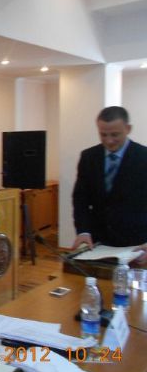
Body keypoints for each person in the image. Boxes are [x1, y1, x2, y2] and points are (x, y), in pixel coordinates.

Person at [72, 106, 147, 265]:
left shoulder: (143, 157)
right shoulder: (88, 157)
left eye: (115, 134)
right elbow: (80, 199)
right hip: (98, 243)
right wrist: (83, 231)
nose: (109, 140)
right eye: (103, 134)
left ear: (128, 129)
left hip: (137, 245)